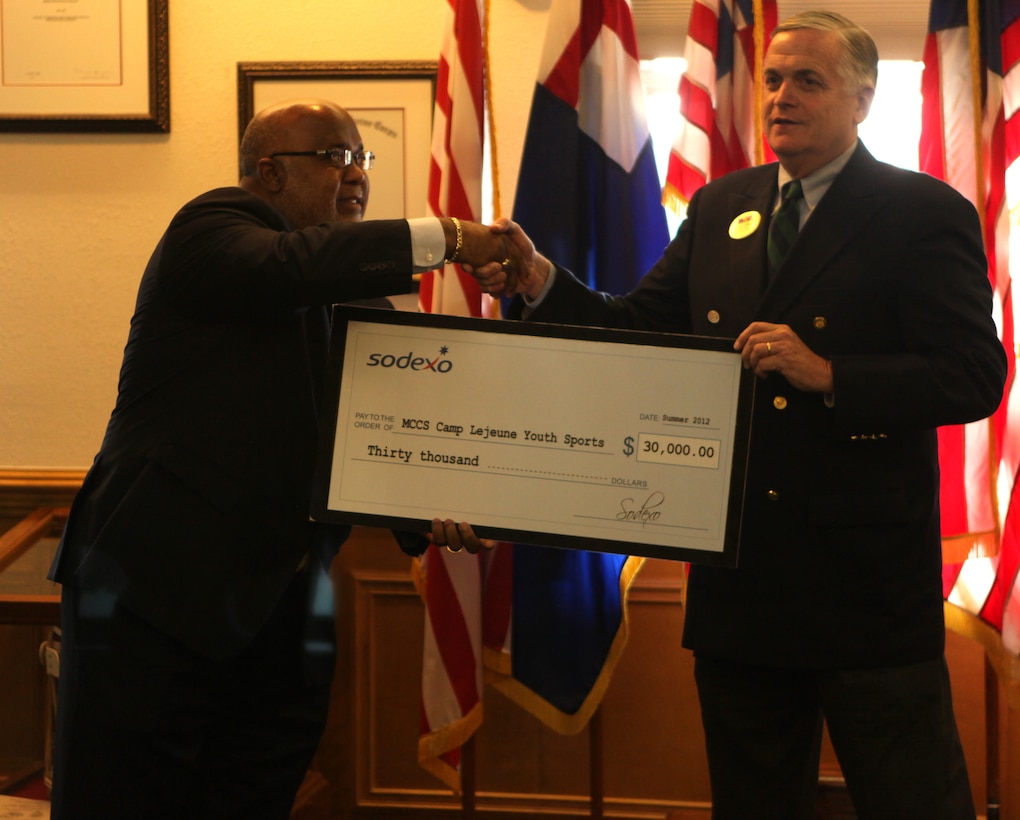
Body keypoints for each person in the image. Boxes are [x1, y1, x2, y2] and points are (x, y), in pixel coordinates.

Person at [471, 12, 1008, 820]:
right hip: (742, 586)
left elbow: (975, 376)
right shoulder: (724, 203)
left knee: (912, 801)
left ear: (863, 99)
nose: (781, 97)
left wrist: (829, 373)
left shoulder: (920, 211)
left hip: (863, 589)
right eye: (772, 80)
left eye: (808, 81)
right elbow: (642, 330)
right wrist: (543, 279)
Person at [47, 99, 509, 819]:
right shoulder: (212, 229)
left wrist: (436, 511)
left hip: (285, 617)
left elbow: (388, 435)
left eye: (364, 158)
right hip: (152, 599)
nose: (356, 174)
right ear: (267, 171)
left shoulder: (359, 298)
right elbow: (288, 268)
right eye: (336, 156)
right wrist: (451, 236)